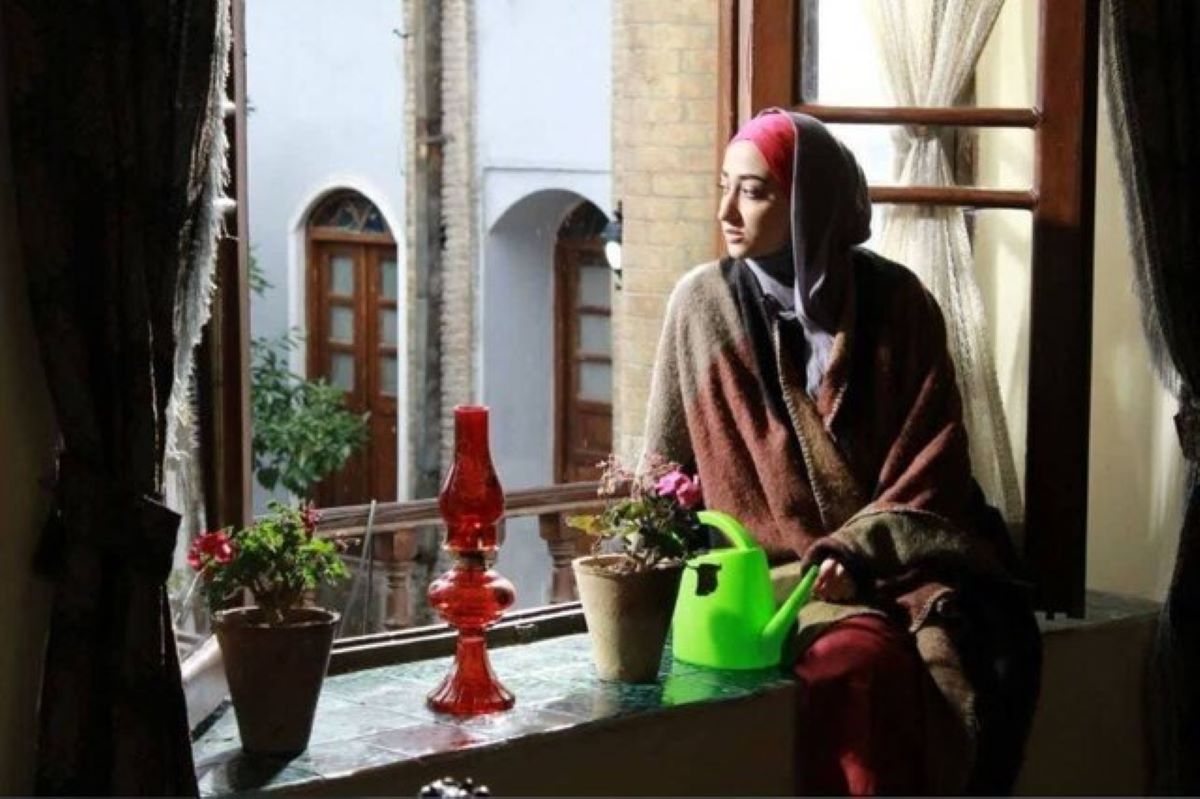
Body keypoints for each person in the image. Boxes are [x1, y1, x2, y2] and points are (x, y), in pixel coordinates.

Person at [642, 109, 1041, 795]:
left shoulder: (899, 302)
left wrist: (857, 550)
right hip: (778, 577)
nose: (726, 211)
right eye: (723, 186)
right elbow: (664, 467)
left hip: (904, 562)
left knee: (1001, 649)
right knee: (858, 667)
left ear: (811, 201)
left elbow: (934, 458)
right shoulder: (702, 306)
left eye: (754, 191)